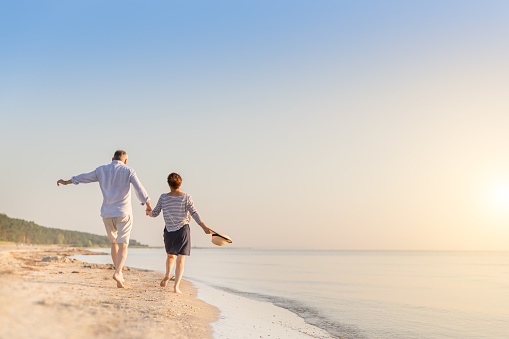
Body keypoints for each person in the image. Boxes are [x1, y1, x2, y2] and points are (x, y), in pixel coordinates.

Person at [57, 150, 152, 288]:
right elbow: (139, 189)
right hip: (123, 213)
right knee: (123, 243)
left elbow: (84, 177)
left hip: (107, 214)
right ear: (125, 161)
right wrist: (148, 204)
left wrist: (67, 182)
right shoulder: (128, 170)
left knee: (113, 243)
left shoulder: (101, 170)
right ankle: (118, 272)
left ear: (112, 158)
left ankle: (118, 272)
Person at [149, 172, 211, 294]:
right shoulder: (186, 197)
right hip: (183, 231)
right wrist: (204, 227)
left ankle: (167, 275)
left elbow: (155, 213)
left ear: (168, 184)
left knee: (170, 256)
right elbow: (194, 213)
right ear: (180, 183)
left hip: (169, 232)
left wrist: (149, 212)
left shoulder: (163, 197)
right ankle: (176, 287)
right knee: (180, 260)